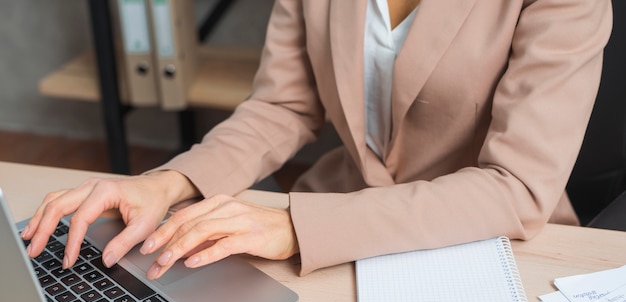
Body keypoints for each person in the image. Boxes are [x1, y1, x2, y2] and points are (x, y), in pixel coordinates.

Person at [22, 0, 612, 278]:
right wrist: (169, 182)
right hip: (335, 217)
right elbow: (284, 104)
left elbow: (516, 187)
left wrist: (297, 227)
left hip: (486, 244)